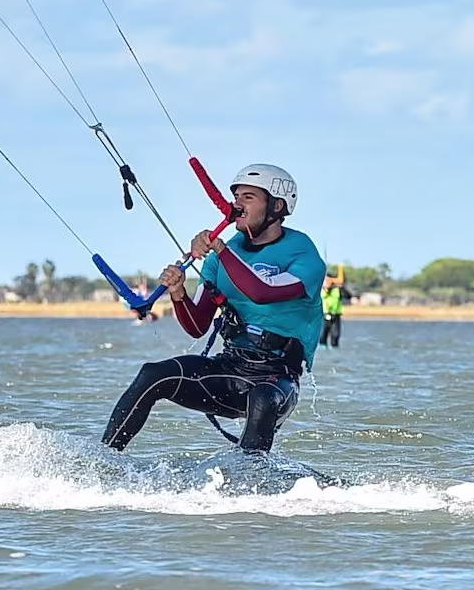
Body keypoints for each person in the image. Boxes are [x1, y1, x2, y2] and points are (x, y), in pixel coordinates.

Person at [101, 163, 326, 453]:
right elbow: (197, 326)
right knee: (152, 374)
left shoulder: (302, 252)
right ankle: (105, 461)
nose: (237, 204)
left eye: (249, 197)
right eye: (236, 196)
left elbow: (262, 292)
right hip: (230, 368)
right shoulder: (222, 257)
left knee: (262, 398)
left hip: (277, 378)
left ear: (277, 206)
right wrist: (178, 292)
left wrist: (221, 249)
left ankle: (248, 480)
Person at [320, 274, 352, 348]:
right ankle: (323, 350)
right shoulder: (320, 290)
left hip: (335, 316)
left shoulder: (338, 290)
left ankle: (335, 351)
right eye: (326, 281)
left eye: (329, 281)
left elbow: (348, 296)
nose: (328, 283)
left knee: (335, 336)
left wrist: (341, 286)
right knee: (322, 337)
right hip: (323, 316)